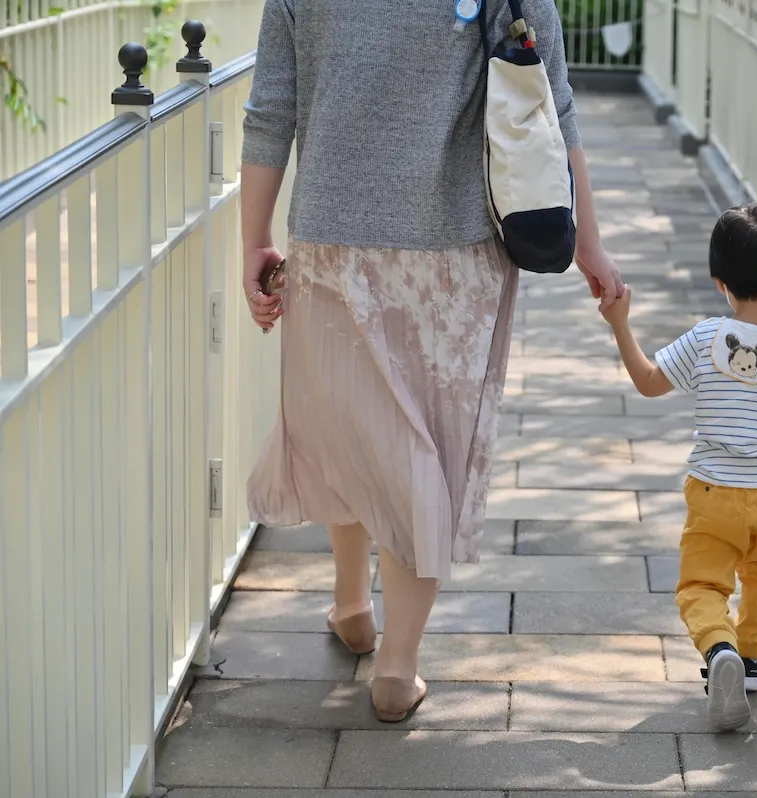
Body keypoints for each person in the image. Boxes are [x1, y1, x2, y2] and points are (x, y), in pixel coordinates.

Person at [239, 0, 624, 723]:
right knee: (425, 444)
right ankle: (397, 664)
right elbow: (551, 102)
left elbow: (271, 110)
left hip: (331, 238)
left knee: (349, 427)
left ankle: (352, 604)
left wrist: (253, 238)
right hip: (457, 249)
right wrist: (590, 243)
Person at [599, 202, 757, 731]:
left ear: (720, 283)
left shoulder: (706, 339)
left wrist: (620, 325)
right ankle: (753, 659)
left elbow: (649, 381)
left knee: (702, 587)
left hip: (715, 493)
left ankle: (718, 647)